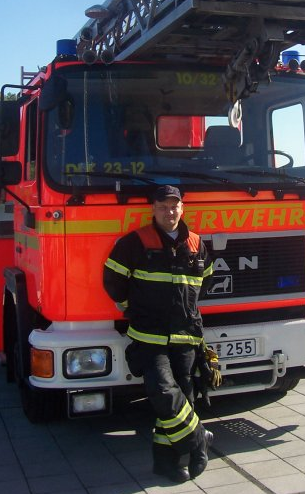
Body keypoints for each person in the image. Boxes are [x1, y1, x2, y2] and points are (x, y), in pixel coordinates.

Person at [103, 185, 215, 483]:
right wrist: (132, 307)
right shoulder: (135, 242)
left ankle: (168, 463)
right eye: (163, 207)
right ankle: (199, 438)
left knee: (183, 400)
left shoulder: (197, 244)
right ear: (153, 209)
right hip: (149, 335)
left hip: (186, 336)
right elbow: (113, 279)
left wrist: (187, 312)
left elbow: (205, 282)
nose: (169, 212)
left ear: (182, 209)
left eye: (174, 206)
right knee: (163, 392)